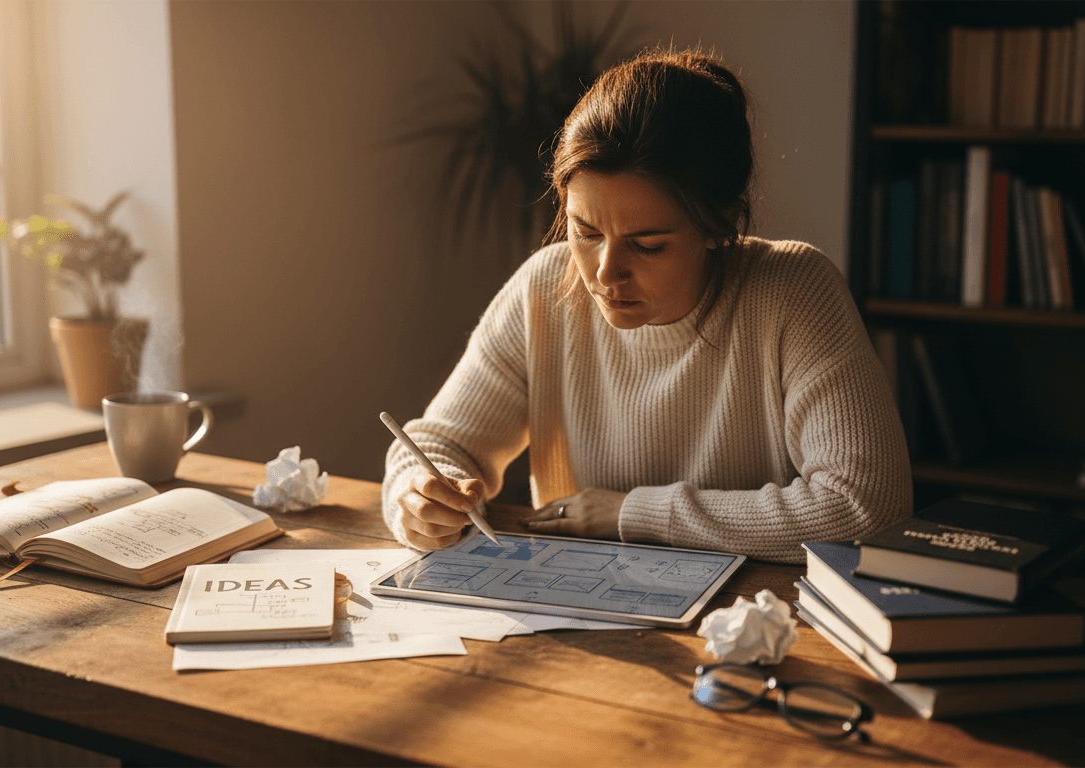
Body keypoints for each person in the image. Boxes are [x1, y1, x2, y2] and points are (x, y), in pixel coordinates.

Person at [381, 48, 911, 563]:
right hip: (578, 607)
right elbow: (436, 443)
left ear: (719, 226)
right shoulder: (545, 287)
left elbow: (864, 508)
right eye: (585, 232)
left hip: (753, 620)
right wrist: (419, 494)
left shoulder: (794, 291)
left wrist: (632, 514)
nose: (605, 272)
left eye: (648, 245)